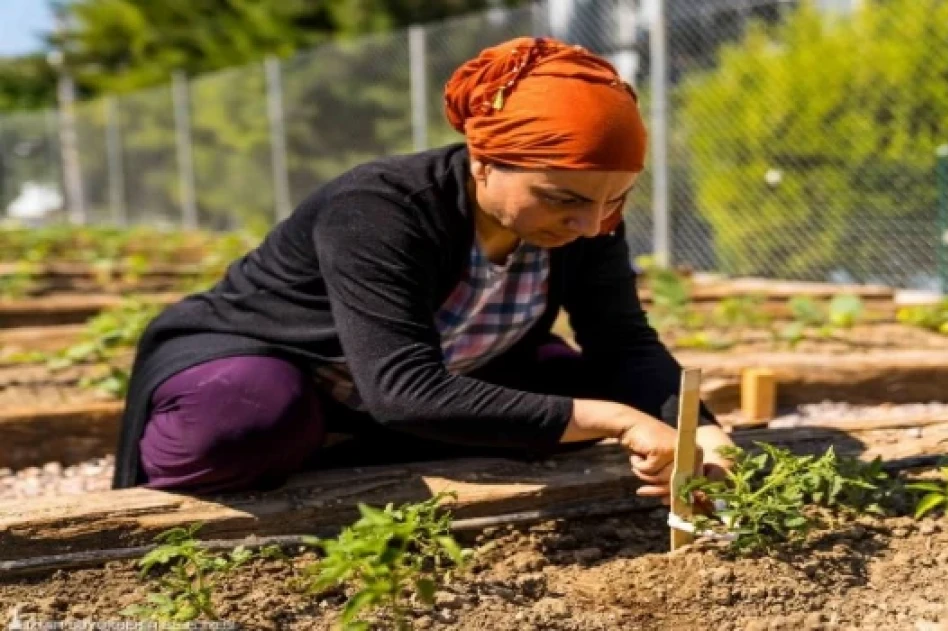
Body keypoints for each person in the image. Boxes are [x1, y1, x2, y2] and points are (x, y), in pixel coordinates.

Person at [110, 36, 736, 500]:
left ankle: (356, 441)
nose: (590, 224)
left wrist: (700, 433)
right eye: (564, 198)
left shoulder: (592, 219)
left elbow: (621, 341)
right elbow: (403, 389)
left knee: (584, 388)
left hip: (427, 380)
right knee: (249, 420)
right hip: (281, 367)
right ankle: (312, 437)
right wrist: (619, 418)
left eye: (615, 199)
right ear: (484, 162)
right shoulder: (381, 209)